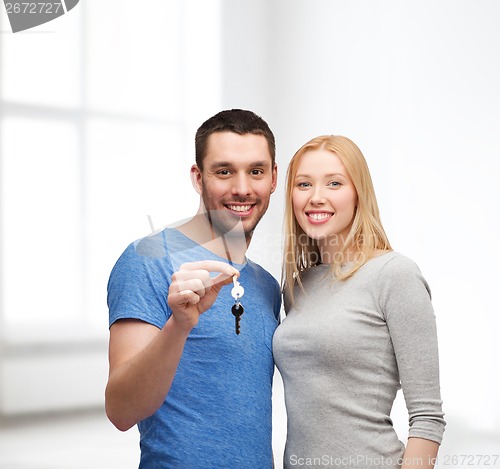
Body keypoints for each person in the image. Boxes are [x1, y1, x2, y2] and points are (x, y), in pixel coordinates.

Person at [105, 109, 281, 468]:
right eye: (224, 171)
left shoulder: (267, 285)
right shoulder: (148, 259)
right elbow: (121, 410)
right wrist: (180, 325)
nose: (242, 188)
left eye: (256, 171)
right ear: (198, 178)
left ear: (274, 178)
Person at [273, 135, 445, 469]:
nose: (316, 197)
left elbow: (427, 416)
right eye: (303, 184)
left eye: (334, 183)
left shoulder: (394, 274)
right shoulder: (298, 285)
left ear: (358, 194)